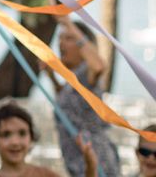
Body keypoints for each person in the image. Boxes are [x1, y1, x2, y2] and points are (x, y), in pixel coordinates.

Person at [44, 16, 120, 176]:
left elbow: (99, 65)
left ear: (84, 46)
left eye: (69, 38)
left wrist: (68, 23)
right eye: (60, 39)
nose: (61, 44)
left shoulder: (87, 72)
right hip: (78, 160)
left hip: (97, 159)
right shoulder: (74, 80)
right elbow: (70, 108)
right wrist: (51, 77)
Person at [0, 102, 97, 177]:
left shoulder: (44, 174)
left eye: (22, 133)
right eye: (6, 135)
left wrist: (91, 166)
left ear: (31, 137)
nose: (15, 142)